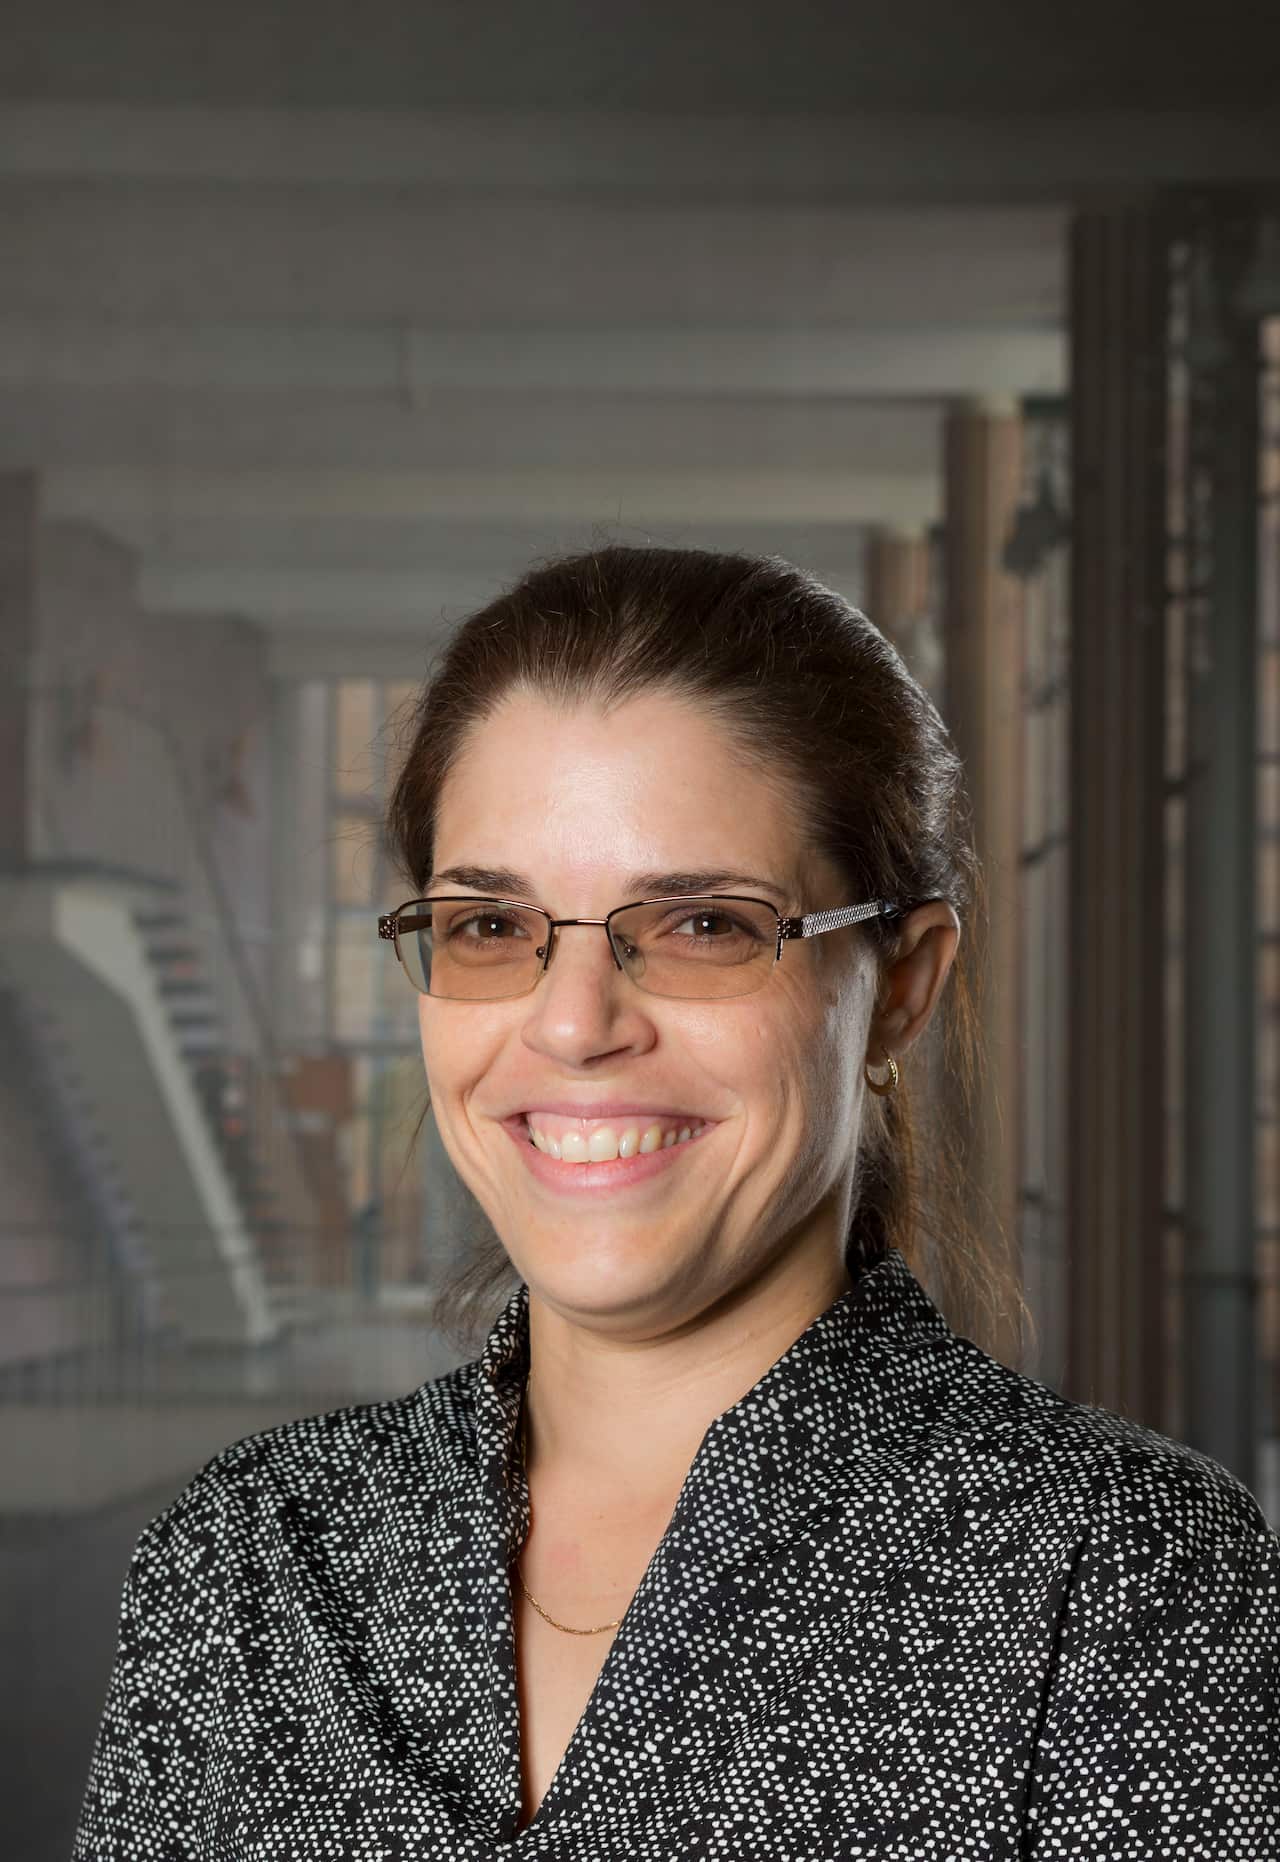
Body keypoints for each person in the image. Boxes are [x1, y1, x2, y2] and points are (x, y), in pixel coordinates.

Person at [74, 545, 1279, 1859]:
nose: (574, 1023)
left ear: (902, 985)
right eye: (491, 927)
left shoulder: (1118, 1576)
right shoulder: (247, 1559)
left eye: (703, 924)